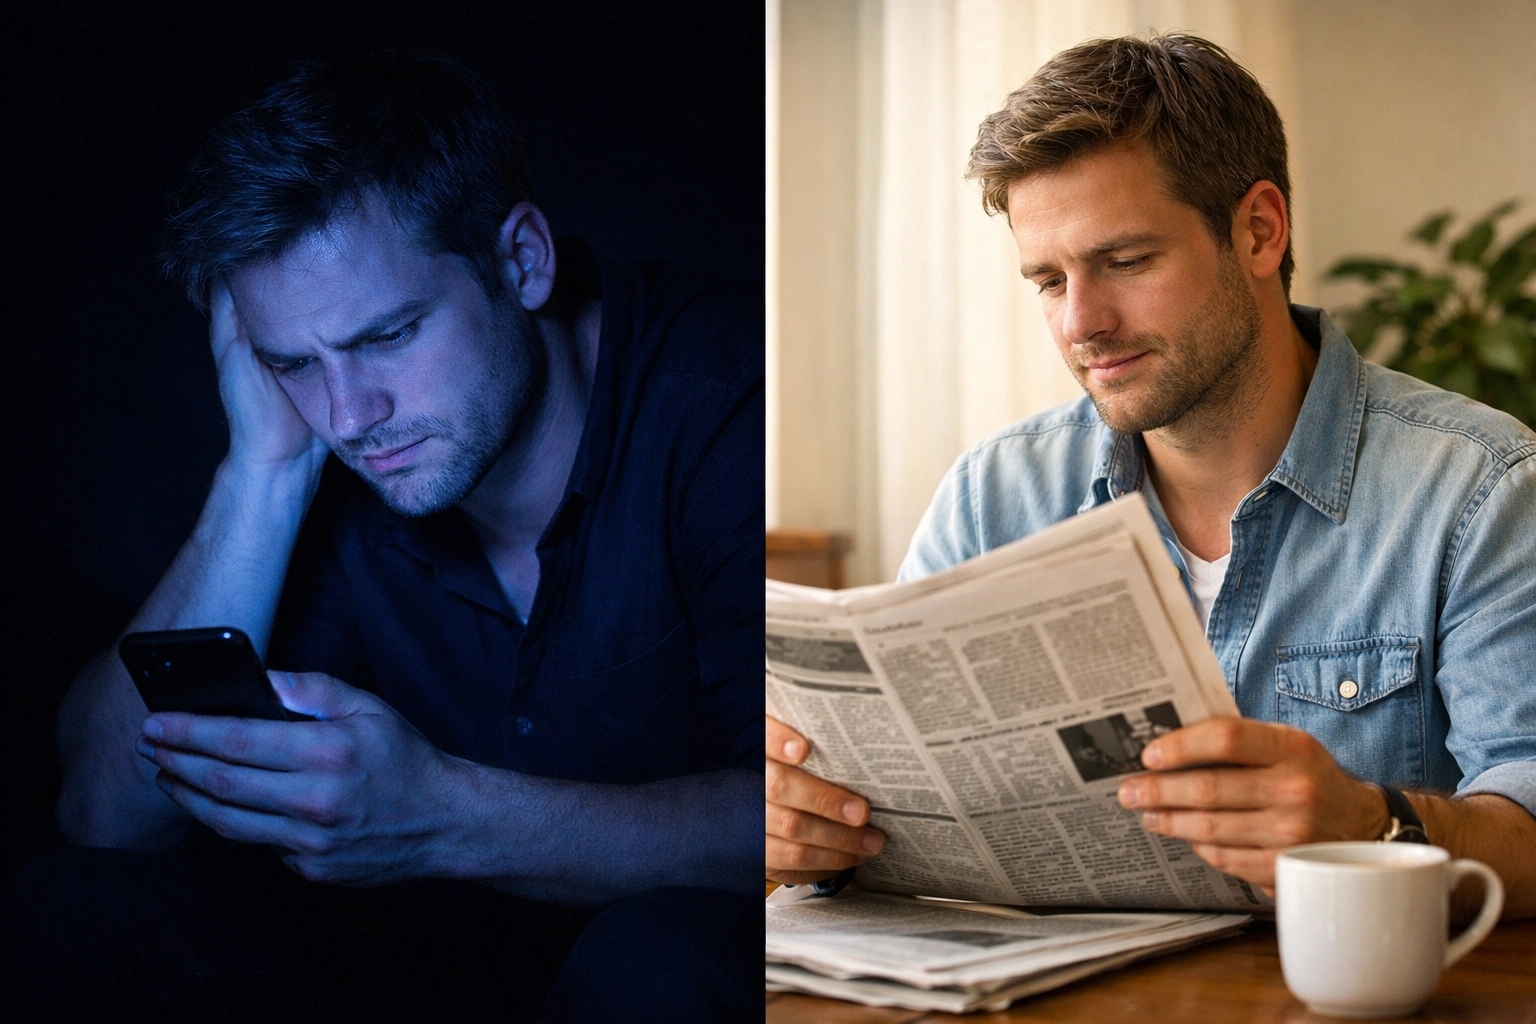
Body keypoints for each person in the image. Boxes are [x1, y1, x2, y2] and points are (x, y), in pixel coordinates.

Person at [5, 53, 762, 1021]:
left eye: (387, 335)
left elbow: (807, 828)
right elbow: (105, 818)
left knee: (665, 953)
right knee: (72, 908)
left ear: (520, 259)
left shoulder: (734, 398)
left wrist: (446, 818)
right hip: (424, 973)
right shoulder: (321, 445)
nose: (351, 414)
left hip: (671, 978)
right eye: (294, 361)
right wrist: (262, 473)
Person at [765, 34, 1536, 918]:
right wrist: (807, 826)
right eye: (1049, 281)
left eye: (1125, 261)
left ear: (1259, 230)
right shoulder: (992, 497)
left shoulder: (1482, 489)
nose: (1082, 324)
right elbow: (891, 815)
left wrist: (1374, 826)